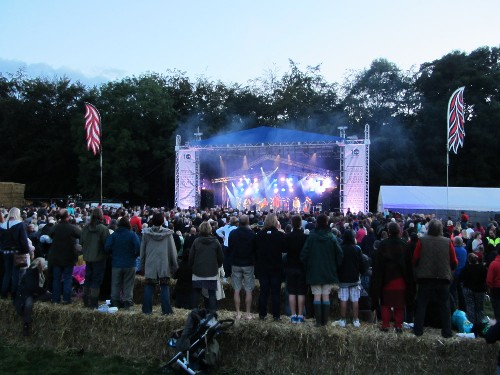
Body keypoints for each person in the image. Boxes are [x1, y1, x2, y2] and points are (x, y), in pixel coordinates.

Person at [412, 219, 458, 338]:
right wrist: (451, 271)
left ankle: (418, 330)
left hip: (425, 277)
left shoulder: (422, 240)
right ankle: (447, 331)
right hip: (443, 277)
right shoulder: (448, 242)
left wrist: (417, 271)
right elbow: (454, 261)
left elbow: (415, 258)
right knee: (445, 305)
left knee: (422, 303)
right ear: (441, 229)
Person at [370, 222, 414, 333]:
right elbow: (409, 265)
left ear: (388, 231)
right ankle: (398, 325)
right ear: (399, 231)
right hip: (401, 280)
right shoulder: (404, 245)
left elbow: (377, 265)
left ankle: (385, 325)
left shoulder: (383, 245)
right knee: (399, 305)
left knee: (385, 304)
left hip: (386, 280)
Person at [300, 214, 343, 327]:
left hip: (314, 272)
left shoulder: (312, 237)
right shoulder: (332, 237)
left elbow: (303, 255)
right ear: (327, 223)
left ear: (317, 223)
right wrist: (335, 267)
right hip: (328, 272)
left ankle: (318, 322)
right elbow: (340, 254)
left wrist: (308, 266)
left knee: (317, 296)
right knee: (326, 295)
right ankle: (325, 322)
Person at [140, 212, 178, 314]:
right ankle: (166, 310)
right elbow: (172, 251)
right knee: (165, 286)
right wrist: (174, 265)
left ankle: (147, 310)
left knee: (149, 286)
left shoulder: (146, 234)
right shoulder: (168, 234)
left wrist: (142, 264)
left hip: (150, 263)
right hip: (164, 263)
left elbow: (142, 251)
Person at [254, 213, 286, 321]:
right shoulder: (280, 235)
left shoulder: (259, 235)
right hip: (276, 268)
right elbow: (285, 250)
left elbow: (255, 251)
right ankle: (276, 315)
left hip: (263, 268)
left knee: (264, 292)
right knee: (275, 293)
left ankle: (262, 314)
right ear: (276, 222)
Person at [104, 216, 140, 309]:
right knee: (128, 284)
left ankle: (115, 302)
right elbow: (138, 247)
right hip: (130, 263)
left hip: (116, 263)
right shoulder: (132, 235)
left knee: (116, 283)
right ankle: (127, 302)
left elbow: (107, 247)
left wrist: (112, 254)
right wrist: (134, 256)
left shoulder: (114, 235)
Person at [335, 229, 368, 328]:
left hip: (343, 278)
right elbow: (362, 263)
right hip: (354, 278)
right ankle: (355, 320)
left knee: (343, 299)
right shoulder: (357, 249)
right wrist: (362, 272)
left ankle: (343, 319)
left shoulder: (340, 248)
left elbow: (337, 263)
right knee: (355, 300)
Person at [190, 221, 224, 313]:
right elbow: (221, 257)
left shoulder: (196, 241)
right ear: (210, 229)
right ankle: (212, 315)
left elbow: (191, 257)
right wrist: (218, 266)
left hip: (198, 272)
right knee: (212, 294)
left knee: (196, 293)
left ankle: (193, 313)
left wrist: (192, 267)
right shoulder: (216, 242)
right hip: (211, 272)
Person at [48, 209, 81, 304]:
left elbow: (50, 235)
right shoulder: (72, 228)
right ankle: (66, 299)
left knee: (56, 279)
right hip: (68, 257)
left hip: (56, 257)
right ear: (68, 217)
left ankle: (55, 299)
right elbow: (80, 234)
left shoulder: (55, 227)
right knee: (67, 278)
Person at [80, 208, 109, 308]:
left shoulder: (85, 228)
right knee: (96, 280)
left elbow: (81, 241)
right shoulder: (103, 229)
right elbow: (107, 244)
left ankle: (85, 300)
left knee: (87, 279)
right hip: (99, 258)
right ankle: (93, 303)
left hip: (88, 257)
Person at [228, 214, 256, 320]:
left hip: (236, 263)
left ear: (238, 222)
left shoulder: (233, 233)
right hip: (248, 264)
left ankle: (238, 313)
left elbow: (230, 247)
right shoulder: (252, 234)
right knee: (248, 289)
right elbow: (255, 249)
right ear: (248, 222)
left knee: (237, 289)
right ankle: (248, 314)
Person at [14, 257, 51, 336]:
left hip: (35, 293)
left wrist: (44, 291)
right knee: (28, 305)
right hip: (27, 293)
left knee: (49, 296)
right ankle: (26, 325)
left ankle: (36, 299)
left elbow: (44, 286)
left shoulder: (41, 274)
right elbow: (31, 287)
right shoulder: (31, 272)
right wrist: (43, 291)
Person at [0, 207, 30, 300]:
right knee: (16, 273)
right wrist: (26, 250)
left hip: (5, 252)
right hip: (17, 252)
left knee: (7, 273)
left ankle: (4, 293)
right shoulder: (20, 224)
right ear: (18, 214)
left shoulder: (3, 225)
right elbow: (23, 240)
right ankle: (14, 294)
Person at [284, 215, 308, 324]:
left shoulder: (288, 237)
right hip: (302, 268)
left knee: (292, 292)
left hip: (290, 267)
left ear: (292, 223)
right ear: (301, 223)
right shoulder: (305, 237)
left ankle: (293, 315)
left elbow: (284, 251)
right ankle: (300, 315)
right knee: (301, 292)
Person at [459, 253, 487, 333]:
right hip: (480, 290)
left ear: (468, 260)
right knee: (479, 308)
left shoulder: (466, 268)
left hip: (468, 289)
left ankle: (471, 325)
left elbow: (461, 279)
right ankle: (480, 326)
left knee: (470, 307)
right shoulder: (482, 268)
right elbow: (485, 279)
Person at [215, 216, 238, 281]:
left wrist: (223, 236)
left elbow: (217, 231)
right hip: (232, 246)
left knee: (225, 259)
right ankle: (232, 274)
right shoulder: (236, 228)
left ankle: (226, 274)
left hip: (225, 245)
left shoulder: (226, 227)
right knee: (232, 259)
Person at [487, 251, 500, 321]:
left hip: (496, 289)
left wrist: (489, 287)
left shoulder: (493, 264)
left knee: (497, 308)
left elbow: (489, 279)